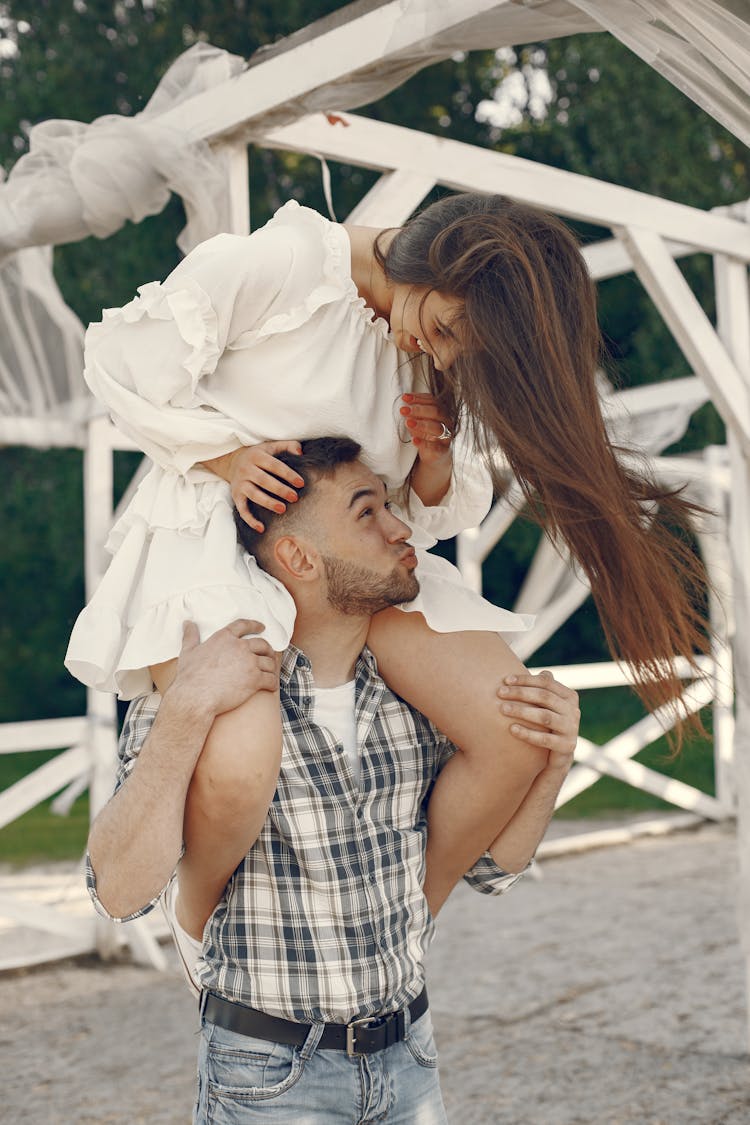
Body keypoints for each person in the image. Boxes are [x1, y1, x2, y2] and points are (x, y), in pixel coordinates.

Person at [68, 191, 708, 912]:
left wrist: (431, 463)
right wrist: (228, 458)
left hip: (351, 565)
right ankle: (196, 917)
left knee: (515, 729)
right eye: (441, 328)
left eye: (453, 349)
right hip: (219, 544)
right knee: (241, 759)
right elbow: (119, 361)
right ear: (439, 258)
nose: (432, 352)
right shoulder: (288, 265)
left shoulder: (431, 351)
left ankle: (408, 920)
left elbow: (418, 512)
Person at [86, 437, 580, 1124]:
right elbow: (115, 892)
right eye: (367, 513)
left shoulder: (414, 705)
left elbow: (493, 868)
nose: (400, 528)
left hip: (411, 1060)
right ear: (298, 558)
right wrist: (185, 711)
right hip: (270, 1079)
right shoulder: (216, 695)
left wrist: (555, 762)